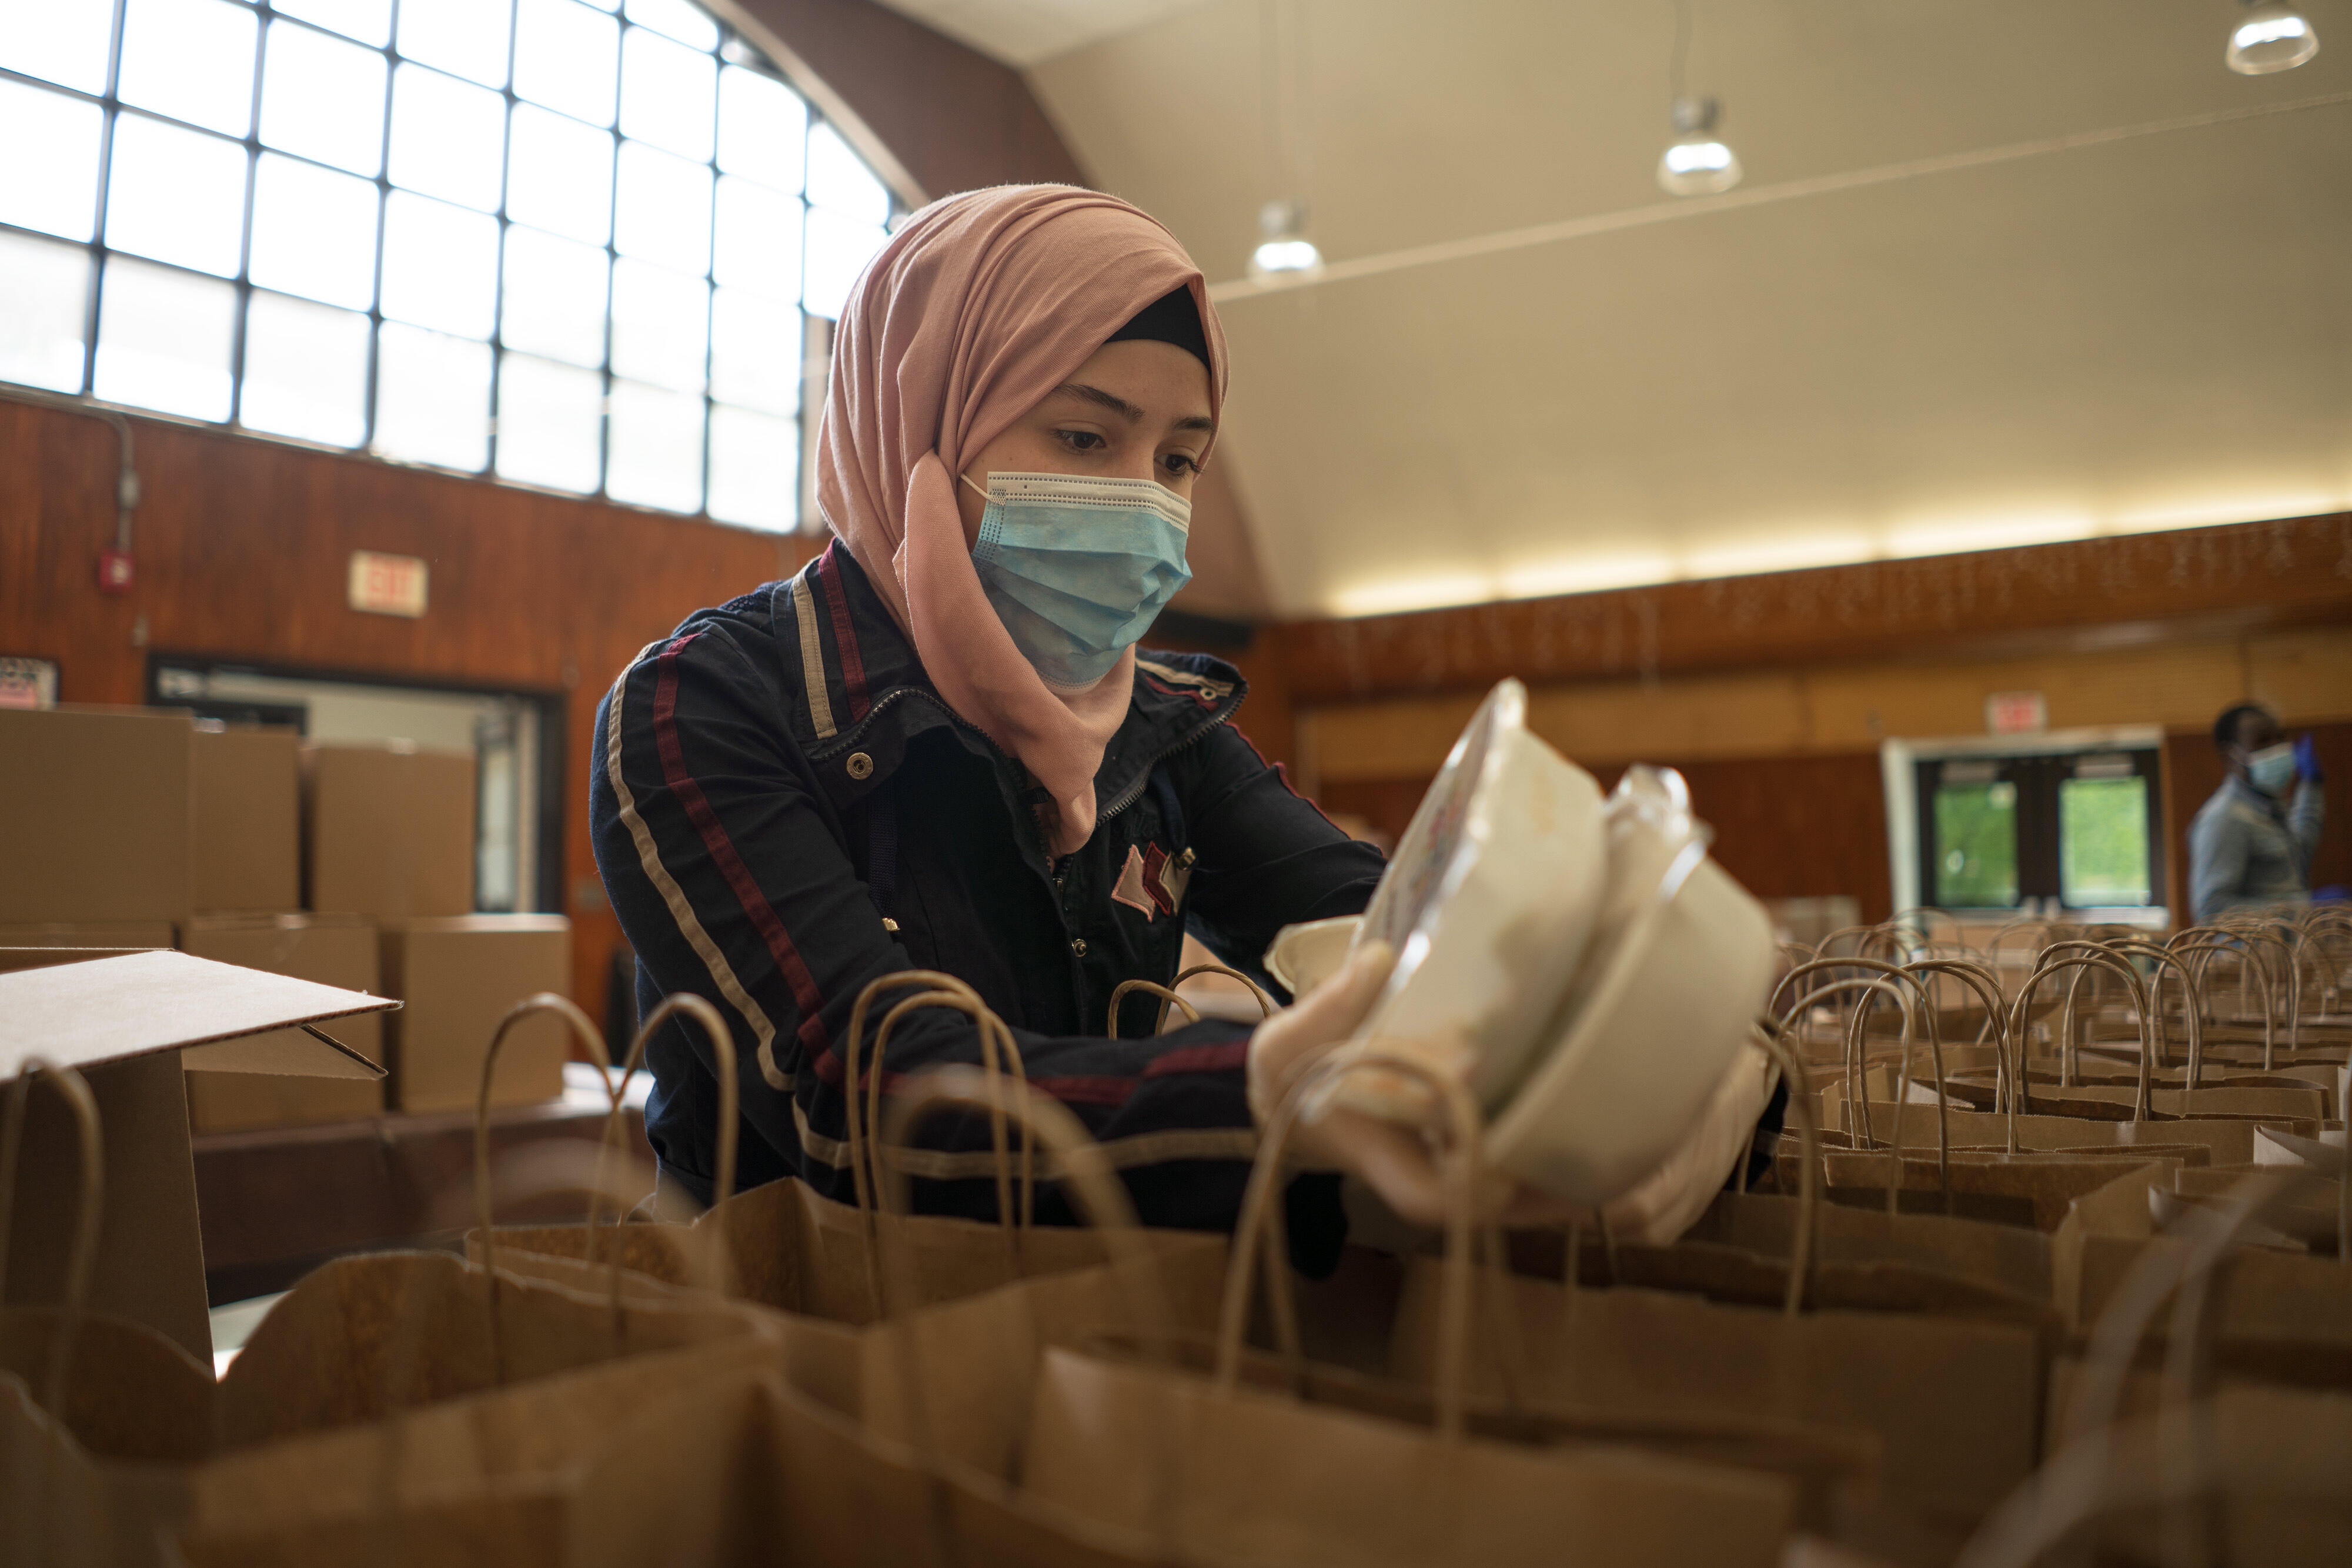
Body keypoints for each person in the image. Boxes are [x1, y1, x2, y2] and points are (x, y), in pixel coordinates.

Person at [591, 185, 1768, 1259]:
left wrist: (1626, 1023)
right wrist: (1257, 1092)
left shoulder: (1151, 724)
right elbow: (871, 1103)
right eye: (1082, 437)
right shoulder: (704, 711)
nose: (1142, 504)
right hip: (802, 1357)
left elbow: (1382, 914)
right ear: (919, 420)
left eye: (1178, 459)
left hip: (1088, 1328)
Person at [2189, 702, 2325, 925]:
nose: (2276, 748)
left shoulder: (2268, 807)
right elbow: (2212, 911)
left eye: (2279, 738)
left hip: (2284, 952)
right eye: (2262, 742)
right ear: (2229, 756)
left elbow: (2300, 852)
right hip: (2248, 958)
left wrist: (2312, 786)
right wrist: (2303, 909)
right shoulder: (2224, 818)